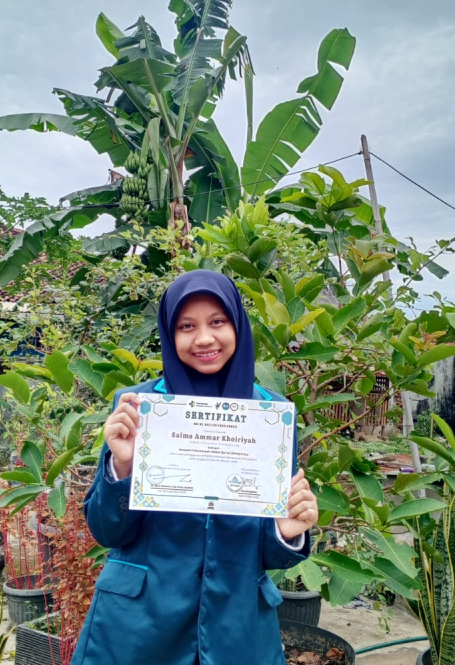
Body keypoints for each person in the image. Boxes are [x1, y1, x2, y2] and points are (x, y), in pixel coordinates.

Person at [71, 270, 319, 665]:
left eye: (217, 322)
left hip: (236, 629)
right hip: (139, 629)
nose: (204, 338)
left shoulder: (271, 416)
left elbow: (268, 555)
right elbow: (106, 531)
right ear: (170, 334)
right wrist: (123, 465)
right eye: (187, 326)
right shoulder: (137, 407)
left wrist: (285, 532)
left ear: (237, 325)